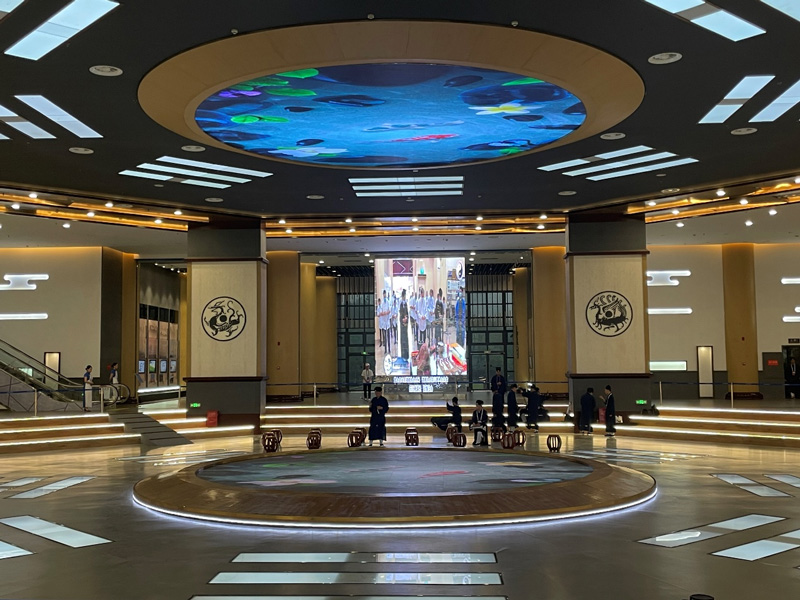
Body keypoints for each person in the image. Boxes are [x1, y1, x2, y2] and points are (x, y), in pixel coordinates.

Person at [399, 289, 409, 360]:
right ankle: (403, 354)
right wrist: (402, 319)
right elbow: (400, 314)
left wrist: (406, 318)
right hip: (402, 324)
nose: (404, 297)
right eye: (404, 296)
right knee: (402, 339)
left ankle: (406, 354)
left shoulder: (406, 304)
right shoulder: (401, 304)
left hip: (406, 324)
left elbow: (407, 313)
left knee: (406, 338)